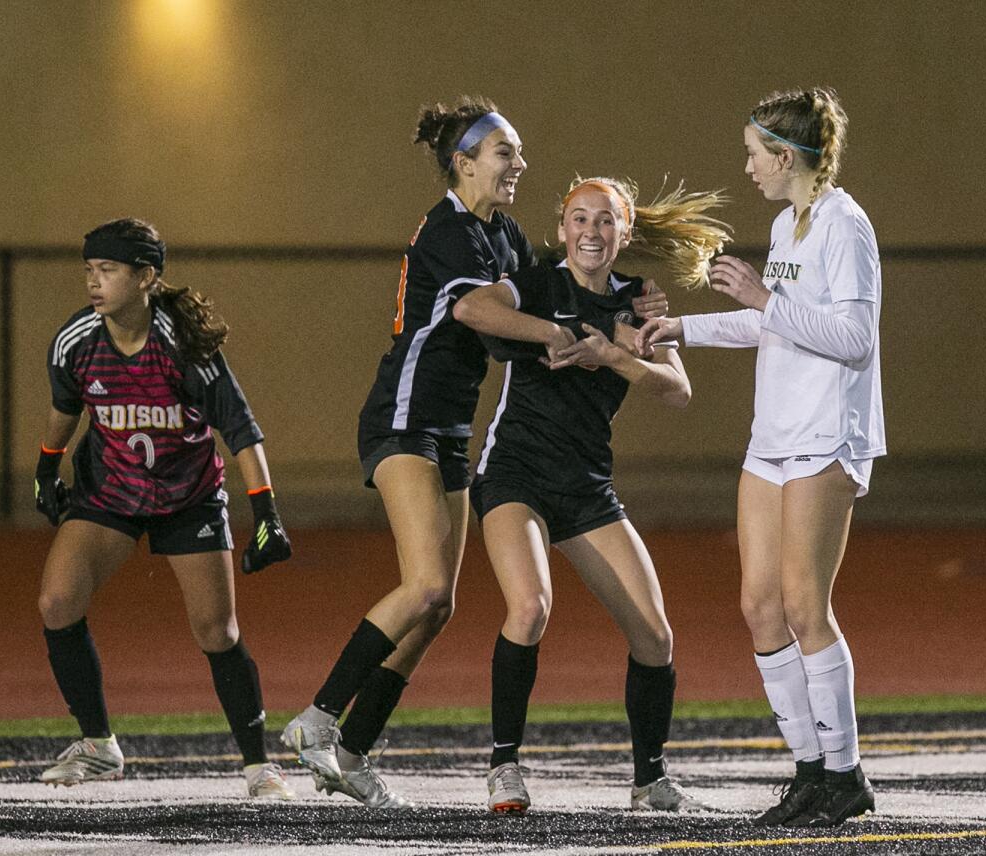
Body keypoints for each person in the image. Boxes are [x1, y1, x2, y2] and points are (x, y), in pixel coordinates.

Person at [281, 97, 671, 810]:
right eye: (504, 153)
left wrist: (631, 301)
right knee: (425, 588)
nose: (519, 163)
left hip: (453, 428)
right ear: (462, 164)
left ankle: (353, 747)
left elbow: (556, 284)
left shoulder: (502, 232)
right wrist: (557, 336)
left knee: (439, 606)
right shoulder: (449, 230)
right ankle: (319, 717)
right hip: (405, 418)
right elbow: (473, 310)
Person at [636, 87, 883, 827]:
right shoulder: (785, 224)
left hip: (824, 438)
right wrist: (681, 326)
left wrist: (764, 299)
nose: (746, 166)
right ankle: (810, 772)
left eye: (754, 153)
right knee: (759, 606)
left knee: (807, 606)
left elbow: (853, 340)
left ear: (786, 156)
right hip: (771, 439)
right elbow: (772, 330)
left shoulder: (846, 227)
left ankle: (846, 777)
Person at [452, 176, 729, 814]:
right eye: (579, 219)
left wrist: (611, 355)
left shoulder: (638, 302)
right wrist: (550, 333)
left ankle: (649, 778)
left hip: (585, 486)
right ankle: (504, 766)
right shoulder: (538, 282)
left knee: (655, 637)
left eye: (605, 221)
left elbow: (676, 389)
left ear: (624, 233)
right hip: (515, 475)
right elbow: (470, 309)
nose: (591, 232)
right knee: (531, 607)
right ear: (561, 230)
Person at [35, 218, 294, 800]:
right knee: (56, 601)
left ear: (146, 276)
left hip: (188, 496)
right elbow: (65, 406)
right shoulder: (76, 340)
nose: (93, 283)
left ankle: (260, 767)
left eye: (107, 271)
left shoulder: (184, 344)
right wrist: (46, 466)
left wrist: (267, 512)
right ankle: (99, 745)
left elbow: (241, 430)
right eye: (89, 270)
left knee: (217, 631)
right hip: (111, 492)